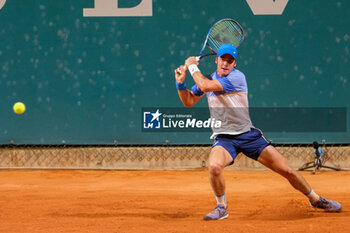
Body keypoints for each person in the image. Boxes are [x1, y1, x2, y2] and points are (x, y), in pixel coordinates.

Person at [174, 44, 342, 220]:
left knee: (287, 170)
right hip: (224, 138)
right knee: (214, 167)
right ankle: (221, 207)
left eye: (230, 61)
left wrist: (192, 66)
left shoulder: (237, 78)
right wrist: (180, 84)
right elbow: (189, 101)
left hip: (248, 135)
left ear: (234, 65)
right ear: (216, 60)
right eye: (223, 59)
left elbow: (205, 86)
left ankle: (315, 199)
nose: (225, 64)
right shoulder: (208, 78)